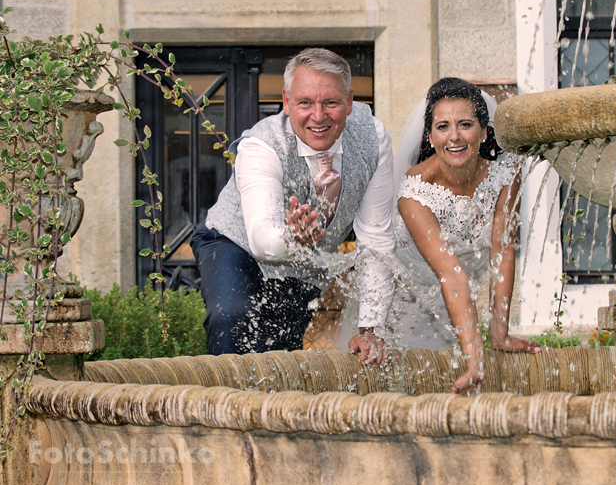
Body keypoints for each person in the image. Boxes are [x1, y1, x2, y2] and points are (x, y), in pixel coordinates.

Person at [191, 48, 395, 365]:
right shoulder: (261, 144)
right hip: (235, 243)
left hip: (306, 261)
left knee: (280, 352)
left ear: (350, 101)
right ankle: (225, 409)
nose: (318, 115)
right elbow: (260, 237)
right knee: (231, 316)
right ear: (286, 102)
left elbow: (377, 238)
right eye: (305, 102)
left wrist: (370, 328)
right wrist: (290, 239)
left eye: (331, 102)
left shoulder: (374, 138)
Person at [391, 77, 540, 395]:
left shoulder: (505, 174)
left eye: (465, 124)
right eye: (443, 126)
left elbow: (503, 249)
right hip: (408, 309)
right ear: (430, 136)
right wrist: (475, 360)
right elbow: (451, 273)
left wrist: (499, 332)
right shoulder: (413, 191)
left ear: (485, 132)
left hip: (461, 308)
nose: (454, 137)